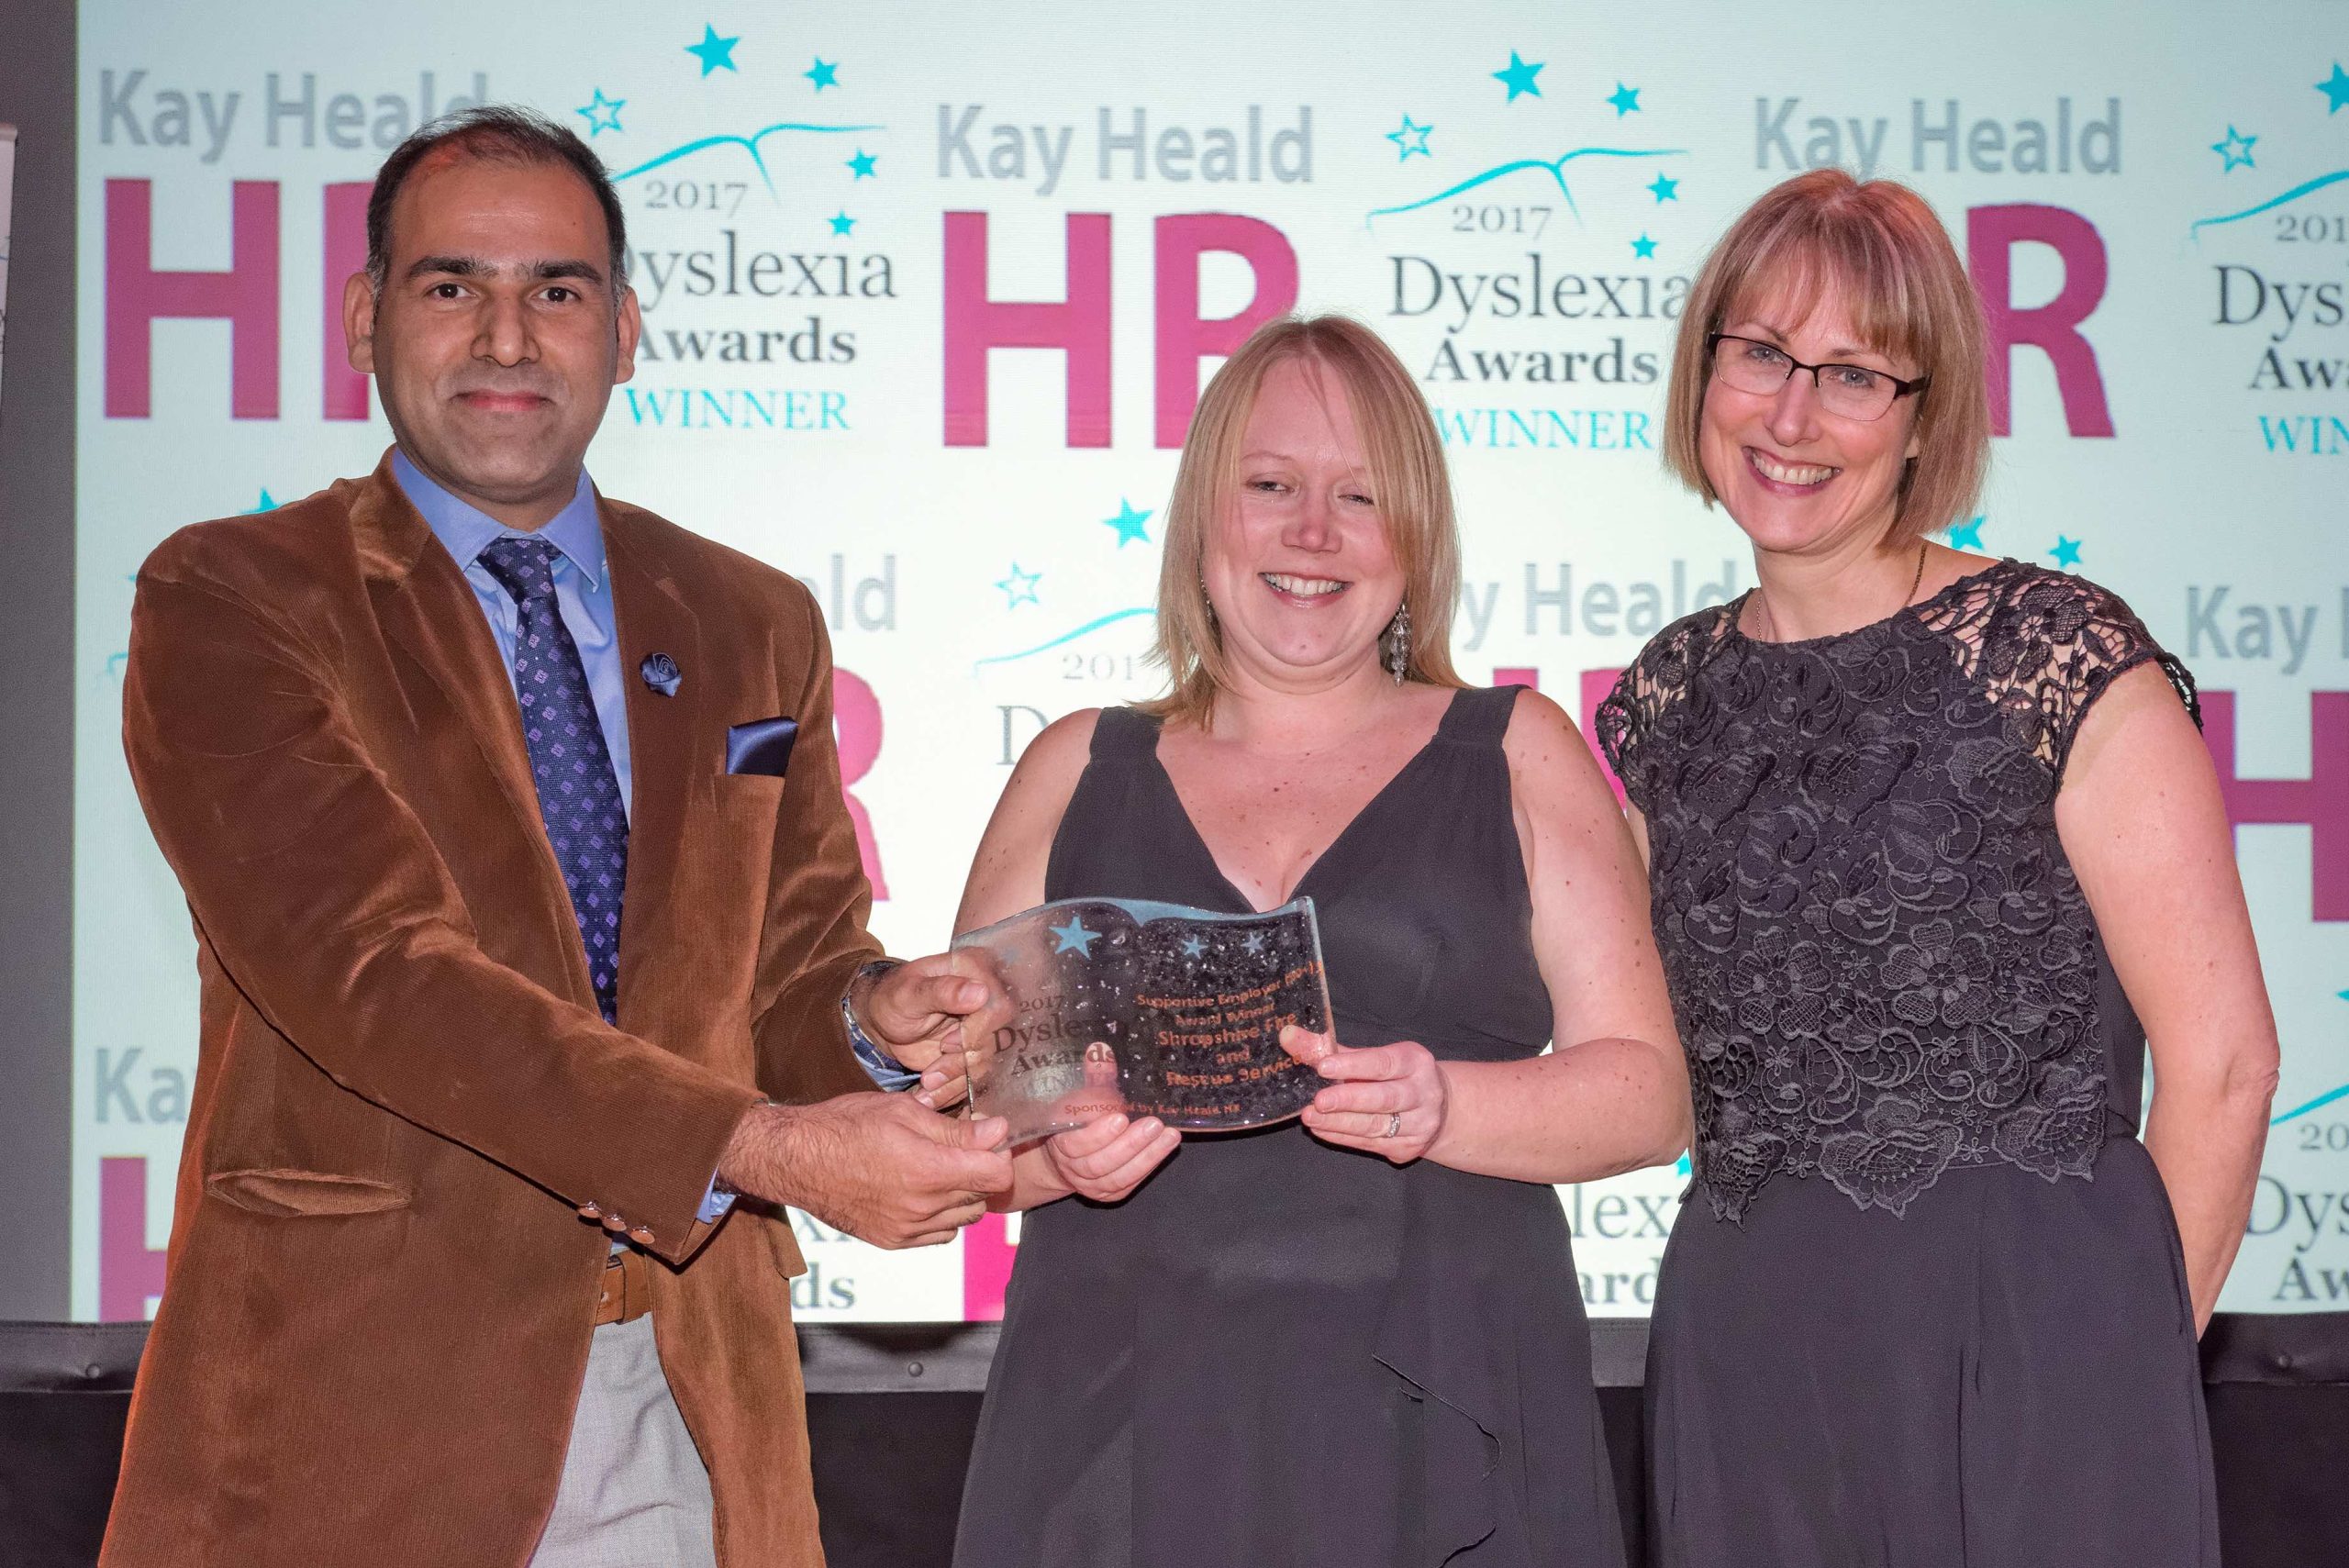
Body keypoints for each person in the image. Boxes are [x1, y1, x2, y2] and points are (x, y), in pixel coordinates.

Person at [103, 107, 1008, 1568]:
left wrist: (875, 1020)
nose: (509, 338)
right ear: (362, 319)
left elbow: (784, 972)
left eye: (560, 291)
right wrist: (766, 1144)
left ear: (627, 329)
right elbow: (379, 977)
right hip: (357, 1420)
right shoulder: (236, 600)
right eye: (453, 286)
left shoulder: (750, 622)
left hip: (690, 1407)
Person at [1596, 169, 2280, 1568]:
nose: (1792, 415)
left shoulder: (2055, 649)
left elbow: (2225, 1065)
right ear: (1704, 367)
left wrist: (2122, 1371)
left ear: (1924, 418)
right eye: (1764, 355)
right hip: (1749, 1363)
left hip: (2040, 1352)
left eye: (1854, 375)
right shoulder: (1665, 698)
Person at [946, 314, 1688, 1568]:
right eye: (1272, 486)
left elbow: (1651, 1093)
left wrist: (1444, 1102)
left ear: (1417, 536)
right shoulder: (1074, 770)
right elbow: (965, 1129)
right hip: (1115, 1441)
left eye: (1360, 496)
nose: (1313, 533)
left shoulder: (1517, 752)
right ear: (1204, 519)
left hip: (1445, 1438)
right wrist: (1058, 1155)